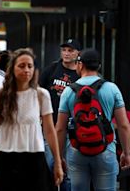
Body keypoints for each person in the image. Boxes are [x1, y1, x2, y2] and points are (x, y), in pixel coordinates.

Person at [0, 48, 64, 191]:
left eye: (30, 66)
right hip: (7, 158)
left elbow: (50, 131)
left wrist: (57, 162)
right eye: (21, 66)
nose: (26, 70)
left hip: (35, 158)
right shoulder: (0, 95)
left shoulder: (41, 95)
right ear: (12, 68)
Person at [56, 48, 130, 191]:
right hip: (106, 150)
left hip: (77, 151)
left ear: (80, 64)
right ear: (99, 66)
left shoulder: (68, 91)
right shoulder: (112, 89)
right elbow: (123, 125)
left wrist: (60, 158)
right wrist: (127, 153)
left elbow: (60, 128)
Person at [39, 38, 81, 190]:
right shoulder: (52, 69)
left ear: (78, 54)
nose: (67, 53)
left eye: (70, 50)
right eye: (64, 50)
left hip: (72, 129)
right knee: (50, 164)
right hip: (50, 127)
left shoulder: (80, 74)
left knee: (68, 171)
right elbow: (38, 91)